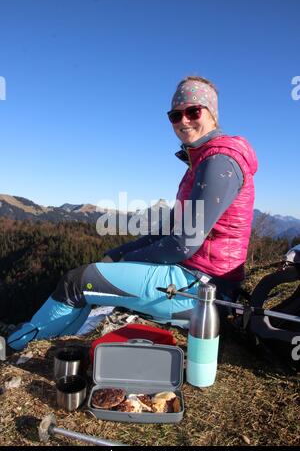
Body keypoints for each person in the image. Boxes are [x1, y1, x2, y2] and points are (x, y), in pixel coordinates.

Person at [8, 76, 258, 350]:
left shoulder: (219, 160)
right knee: (88, 281)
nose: (184, 121)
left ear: (212, 113)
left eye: (193, 111)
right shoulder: (202, 162)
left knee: (76, 283)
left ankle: (17, 347)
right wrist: (119, 253)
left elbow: (183, 242)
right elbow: (168, 230)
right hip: (195, 277)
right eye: (176, 115)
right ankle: (47, 344)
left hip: (204, 289)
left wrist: (127, 258)